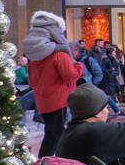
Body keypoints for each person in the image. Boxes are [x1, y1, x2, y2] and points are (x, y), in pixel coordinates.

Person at [22, 11, 83, 157]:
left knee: (51, 132)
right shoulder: (59, 54)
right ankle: (46, 164)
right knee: (55, 135)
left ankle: (47, 161)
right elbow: (70, 76)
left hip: (43, 100)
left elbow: (32, 81)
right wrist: (79, 67)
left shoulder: (35, 57)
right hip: (59, 99)